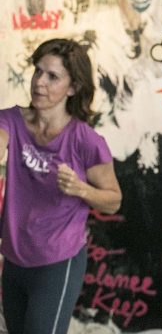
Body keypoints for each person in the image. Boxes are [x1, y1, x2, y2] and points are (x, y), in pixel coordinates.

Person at [0, 38, 122, 334]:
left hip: (57, 262)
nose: (39, 82)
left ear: (73, 87)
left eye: (52, 76)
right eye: (38, 71)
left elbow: (113, 200)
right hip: (14, 258)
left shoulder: (85, 140)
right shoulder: (10, 121)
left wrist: (81, 189)